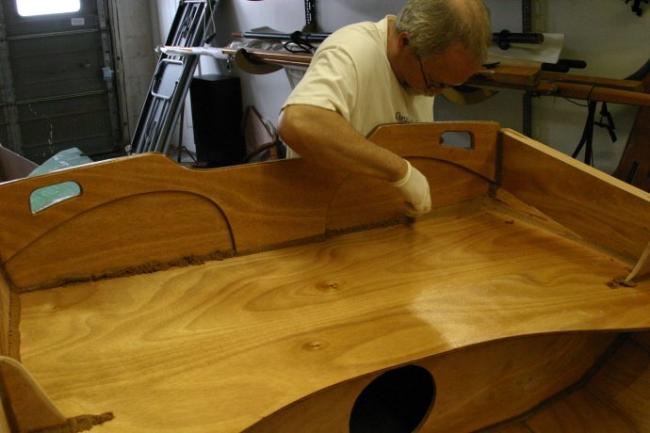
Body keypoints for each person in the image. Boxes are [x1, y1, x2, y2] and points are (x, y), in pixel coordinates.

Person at [278, 0, 491, 216]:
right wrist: (401, 172)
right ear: (404, 42)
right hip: (319, 215)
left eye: (448, 85)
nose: (437, 92)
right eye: (434, 83)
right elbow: (298, 122)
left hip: (374, 215)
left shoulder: (424, 64)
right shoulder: (352, 52)